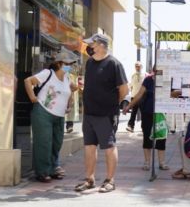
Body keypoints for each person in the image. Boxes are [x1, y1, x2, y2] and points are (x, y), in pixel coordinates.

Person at [75, 33, 128, 193]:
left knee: (109, 146)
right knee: (89, 147)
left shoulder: (114, 64)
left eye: (92, 44)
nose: (89, 47)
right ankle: (89, 179)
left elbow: (124, 90)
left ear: (101, 45)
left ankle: (110, 180)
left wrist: (112, 104)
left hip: (106, 114)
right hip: (89, 114)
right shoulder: (90, 63)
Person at [24, 51, 77, 182]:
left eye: (71, 64)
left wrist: (69, 105)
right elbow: (28, 81)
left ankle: (53, 168)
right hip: (43, 112)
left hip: (59, 115)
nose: (69, 66)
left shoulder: (67, 78)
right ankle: (42, 172)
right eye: (67, 64)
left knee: (56, 143)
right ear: (58, 63)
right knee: (44, 143)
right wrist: (32, 98)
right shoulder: (47, 74)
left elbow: (70, 91)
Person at [122, 66, 169, 171]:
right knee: (147, 137)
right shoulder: (148, 80)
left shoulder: (167, 81)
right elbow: (139, 95)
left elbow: (172, 94)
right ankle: (147, 162)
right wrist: (129, 106)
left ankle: (162, 162)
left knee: (161, 138)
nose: (158, 73)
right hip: (147, 112)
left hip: (161, 113)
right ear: (154, 71)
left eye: (160, 71)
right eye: (156, 71)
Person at [126, 62, 144, 133]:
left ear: (141, 67)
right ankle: (131, 126)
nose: (137, 67)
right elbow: (131, 85)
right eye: (136, 66)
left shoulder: (145, 75)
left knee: (143, 113)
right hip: (134, 97)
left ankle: (144, 128)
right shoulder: (133, 75)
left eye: (139, 66)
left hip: (142, 97)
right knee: (133, 112)